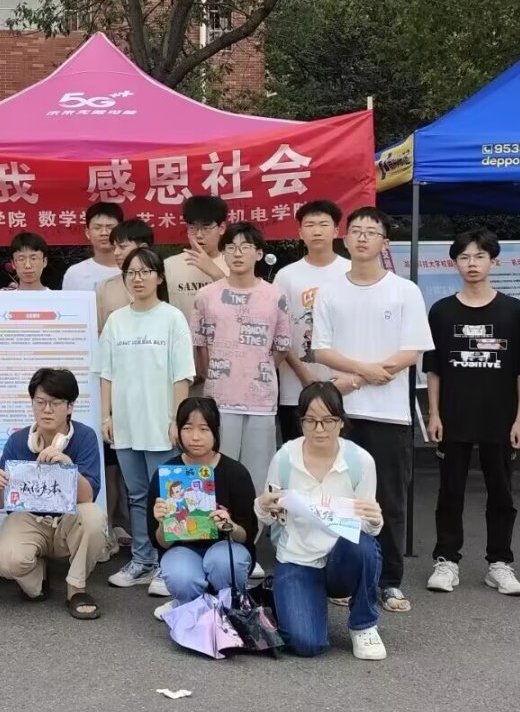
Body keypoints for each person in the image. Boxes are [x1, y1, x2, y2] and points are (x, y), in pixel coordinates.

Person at [311, 206, 432, 614]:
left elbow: (412, 350)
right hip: (339, 414)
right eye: (356, 231)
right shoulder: (330, 291)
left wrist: (358, 378)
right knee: (337, 497)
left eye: (371, 231)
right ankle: (342, 578)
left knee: (388, 500)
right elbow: (321, 349)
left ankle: (389, 581)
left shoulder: (404, 290)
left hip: (389, 414)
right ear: (345, 239)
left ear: (385, 242)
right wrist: (363, 373)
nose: (362, 237)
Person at [424, 228, 520, 598]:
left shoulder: (515, 312)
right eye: (465, 257)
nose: (472, 264)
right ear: (454, 263)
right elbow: (434, 369)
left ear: (494, 262)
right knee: (449, 492)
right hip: (453, 416)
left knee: (501, 493)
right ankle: (446, 561)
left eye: (480, 256)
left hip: (500, 418)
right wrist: (434, 414)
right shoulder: (441, 312)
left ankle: (500, 563)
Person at [255, 382, 388, 659]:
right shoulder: (284, 459)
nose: (319, 429)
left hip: (341, 558)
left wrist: (376, 520)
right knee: (306, 644)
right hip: (298, 559)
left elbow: (367, 527)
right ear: (300, 422)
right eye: (310, 421)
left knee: (364, 546)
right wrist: (263, 505)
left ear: (341, 421)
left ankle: (363, 624)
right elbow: (271, 517)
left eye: (328, 420)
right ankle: (287, 593)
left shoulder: (360, 461)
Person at [99, 247, 194, 590]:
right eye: (131, 273)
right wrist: (106, 416)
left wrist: (177, 421)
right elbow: (106, 373)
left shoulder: (172, 318)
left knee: (169, 497)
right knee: (137, 496)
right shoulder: (116, 320)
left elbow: (182, 376)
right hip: (126, 425)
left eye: (145, 271)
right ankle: (143, 561)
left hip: (161, 425)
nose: (137, 279)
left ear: (159, 277)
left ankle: (172, 564)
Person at [0, 367, 108, 619]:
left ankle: (76, 588)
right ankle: (36, 579)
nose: (47, 409)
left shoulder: (85, 437)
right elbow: (0, 503)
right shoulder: (18, 441)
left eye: (55, 403)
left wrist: (67, 467)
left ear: (70, 406)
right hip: (29, 519)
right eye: (40, 402)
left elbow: (88, 496)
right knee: (4, 560)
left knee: (94, 518)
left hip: (68, 519)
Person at [191, 221, 291, 483]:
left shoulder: (275, 296)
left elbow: (281, 346)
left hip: (261, 399)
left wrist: (260, 368)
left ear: (258, 253)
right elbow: (200, 345)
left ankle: (255, 514)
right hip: (219, 398)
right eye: (231, 247)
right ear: (223, 253)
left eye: (245, 247)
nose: (237, 253)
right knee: (217, 473)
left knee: (258, 476)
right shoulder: (205, 296)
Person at [149, 396, 258, 620]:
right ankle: (187, 602)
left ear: (215, 431)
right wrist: (162, 523)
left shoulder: (235, 472)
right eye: (187, 428)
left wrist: (229, 525)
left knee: (224, 562)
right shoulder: (167, 474)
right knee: (181, 576)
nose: (195, 437)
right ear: (178, 430)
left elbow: (247, 535)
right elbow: (160, 542)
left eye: (204, 429)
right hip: (182, 549)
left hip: (226, 546)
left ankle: (227, 603)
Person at [273, 200, 350, 441]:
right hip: (296, 388)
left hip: (345, 387)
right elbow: (279, 332)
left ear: (336, 231)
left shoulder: (350, 271)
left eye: (323, 225)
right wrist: (303, 374)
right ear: (300, 232)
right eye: (310, 225)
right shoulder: (286, 276)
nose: (317, 231)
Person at [165, 195, 229, 326]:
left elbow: (243, 307)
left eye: (206, 228)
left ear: (221, 228)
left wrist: (216, 273)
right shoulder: (169, 265)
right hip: (182, 337)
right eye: (193, 228)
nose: (199, 235)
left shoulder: (234, 263)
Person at [95, 218, 153, 329]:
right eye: (114, 247)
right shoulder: (105, 287)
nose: (116, 253)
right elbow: (100, 330)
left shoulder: (164, 282)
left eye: (122, 247)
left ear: (143, 248)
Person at [61, 202, 124, 291]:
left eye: (110, 227)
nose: (104, 233)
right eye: (97, 228)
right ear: (87, 233)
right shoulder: (75, 273)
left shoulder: (134, 271)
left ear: (120, 231)